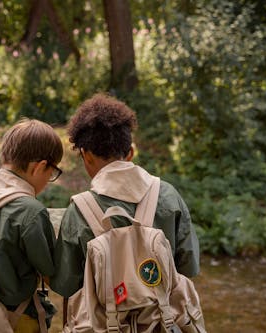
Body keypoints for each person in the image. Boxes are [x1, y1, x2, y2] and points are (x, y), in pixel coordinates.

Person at [50, 93, 200, 301]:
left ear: (86, 155)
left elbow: (66, 285)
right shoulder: (168, 195)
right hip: (163, 322)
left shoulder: (80, 210)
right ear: (130, 153)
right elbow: (189, 267)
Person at [0, 118, 63, 332]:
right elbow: (51, 273)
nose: (50, 179)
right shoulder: (30, 211)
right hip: (16, 318)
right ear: (40, 167)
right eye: (52, 173)